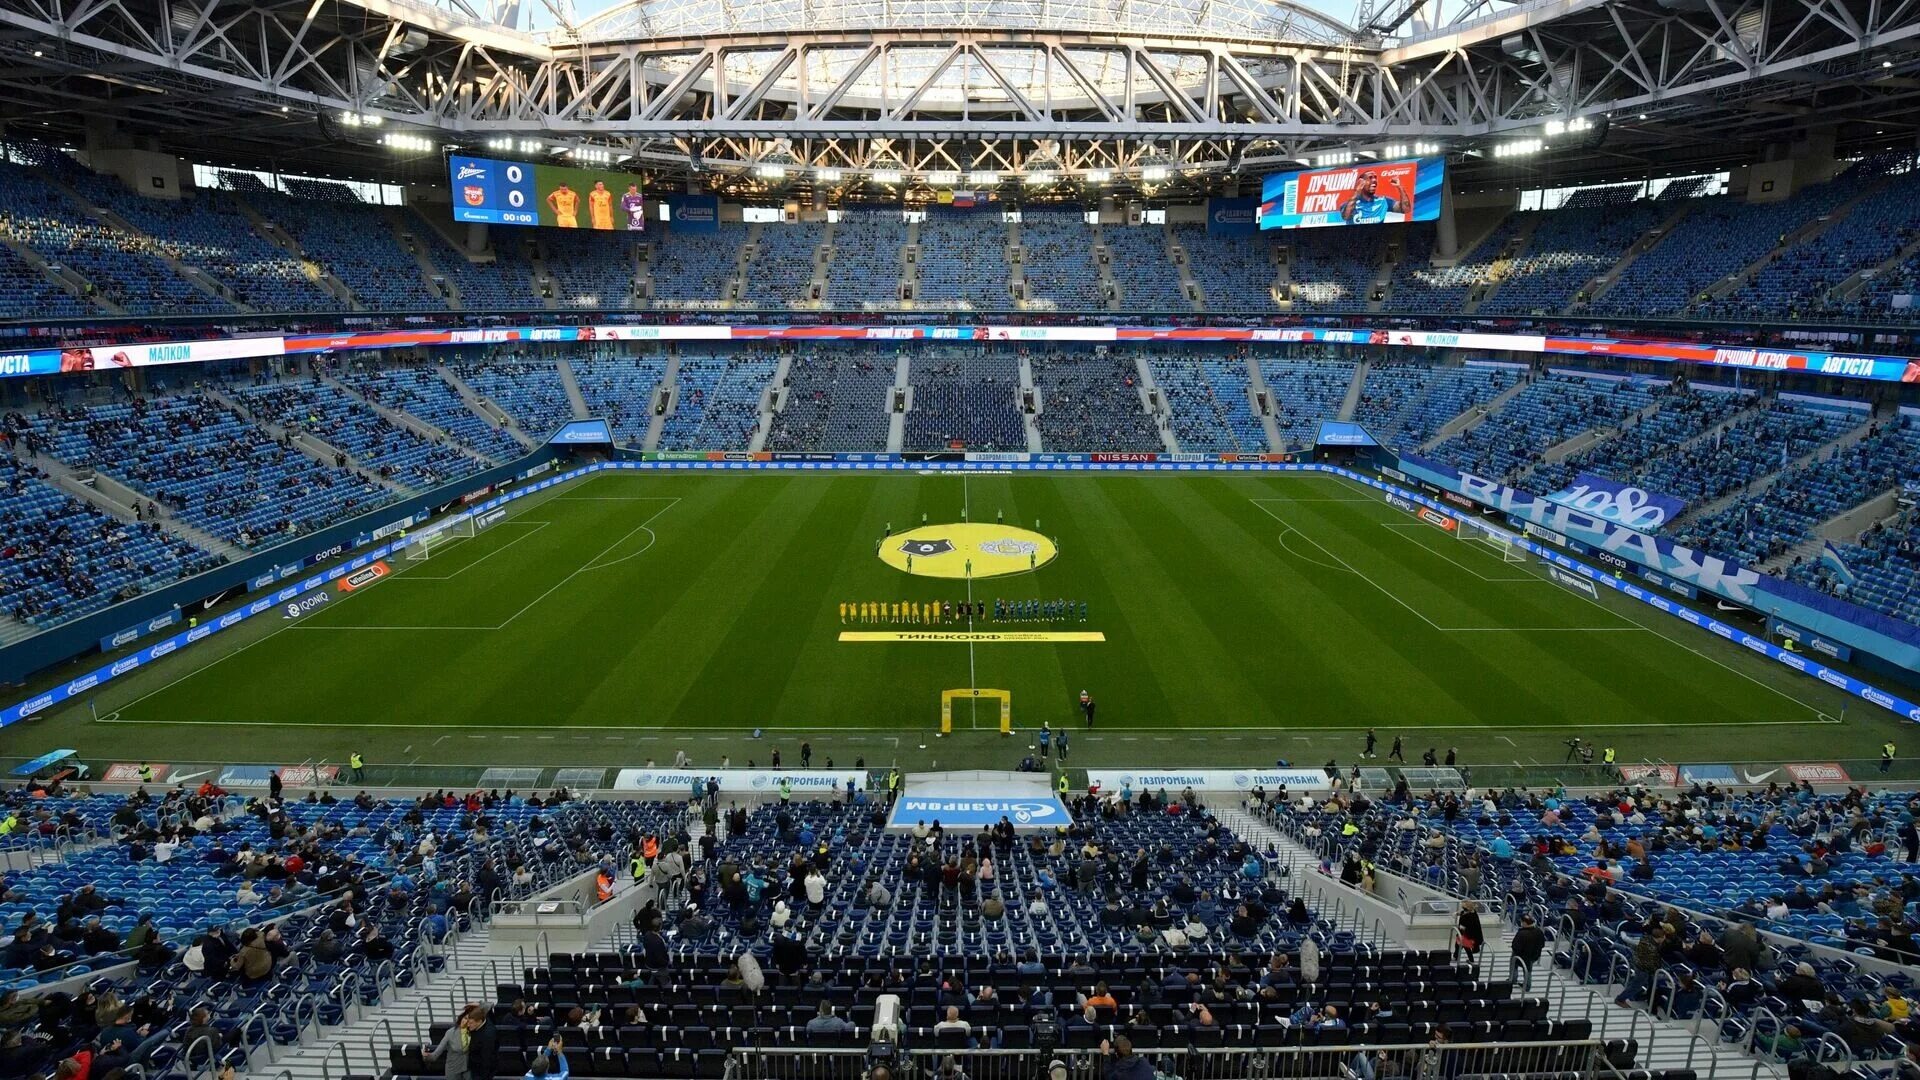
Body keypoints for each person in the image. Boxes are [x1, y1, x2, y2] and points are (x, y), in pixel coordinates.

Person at [1510, 915, 1545, 990]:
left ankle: (1513, 979)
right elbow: (1542, 944)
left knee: (1514, 965)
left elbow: (1515, 946)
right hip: (1533, 956)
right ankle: (1527, 985)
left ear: (1525, 923)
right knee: (1528, 970)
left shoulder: (1521, 933)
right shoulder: (1539, 932)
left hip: (1521, 955)